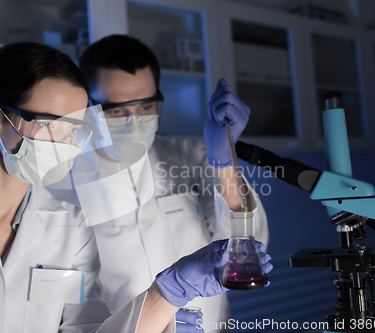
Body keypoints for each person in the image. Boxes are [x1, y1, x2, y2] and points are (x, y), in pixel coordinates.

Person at [0, 42, 272, 333]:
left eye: (73, 129)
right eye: (51, 124)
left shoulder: (71, 225)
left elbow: (86, 330)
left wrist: (170, 293)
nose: (65, 144)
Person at [75, 35, 270, 332]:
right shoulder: (66, 184)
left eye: (146, 107)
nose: (134, 121)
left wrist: (225, 162)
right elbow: (72, 308)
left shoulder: (188, 156)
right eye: (115, 110)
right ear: (89, 107)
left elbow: (246, 246)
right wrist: (152, 318)